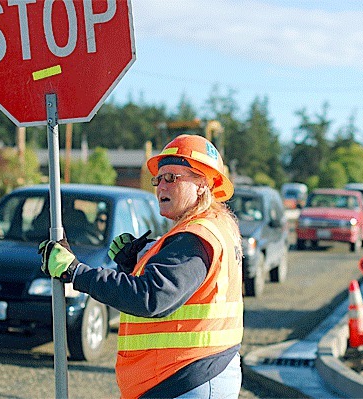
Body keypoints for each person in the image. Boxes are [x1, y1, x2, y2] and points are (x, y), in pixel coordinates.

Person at [39, 134, 243, 399]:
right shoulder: (210, 227)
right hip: (192, 375)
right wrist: (132, 265)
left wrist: (77, 272)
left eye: (171, 178)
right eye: (158, 179)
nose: (160, 187)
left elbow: (152, 297)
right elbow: (182, 292)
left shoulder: (194, 237)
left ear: (202, 183)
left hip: (186, 378)